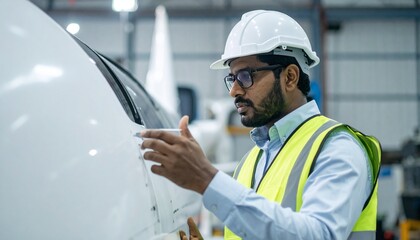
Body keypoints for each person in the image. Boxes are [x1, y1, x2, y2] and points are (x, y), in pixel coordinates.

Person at [140, 10, 381, 240]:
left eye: (246, 76)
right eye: (231, 78)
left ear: (289, 77)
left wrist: (207, 179)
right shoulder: (251, 161)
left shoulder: (337, 149)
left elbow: (317, 234)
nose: (234, 90)